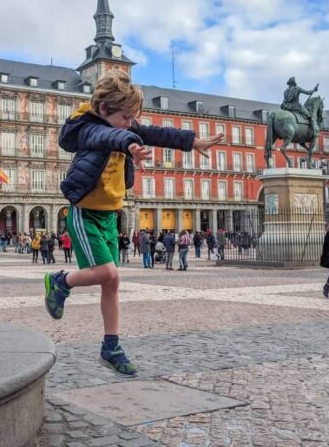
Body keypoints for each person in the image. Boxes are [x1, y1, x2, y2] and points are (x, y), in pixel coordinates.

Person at [43, 71, 223, 377]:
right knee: (107, 272)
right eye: (126, 117)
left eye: (132, 118)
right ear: (103, 110)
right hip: (85, 213)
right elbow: (107, 137)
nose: (130, 123)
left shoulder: (123, 125)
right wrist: (129, 143)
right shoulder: (86, 126)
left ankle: (110, 346)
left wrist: (193, 141)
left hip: (110, 214)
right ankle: (59, 281)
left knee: (111, 282)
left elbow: (155, 132)